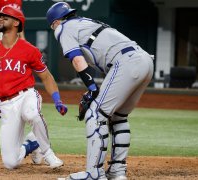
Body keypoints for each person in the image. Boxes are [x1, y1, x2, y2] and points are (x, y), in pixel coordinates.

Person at [46, 2, 154, 180]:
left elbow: (77, 61)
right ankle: (118, 172)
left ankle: (94, 173)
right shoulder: (86, 22)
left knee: (95, 115)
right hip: (144, 60)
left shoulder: (63, 28)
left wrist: (92, 88)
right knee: (118, 116)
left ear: (55, 22)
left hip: (125, 62)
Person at [0, 6, 67, 170]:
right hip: (5, 105)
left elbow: (46, 76)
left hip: (26, 95)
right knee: (10, 163)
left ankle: (48, 154)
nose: (0, 19)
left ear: (17, 23)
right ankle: (32, 143)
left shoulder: (29, 50)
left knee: (32, 114)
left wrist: (57, 100)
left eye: (5, 17)